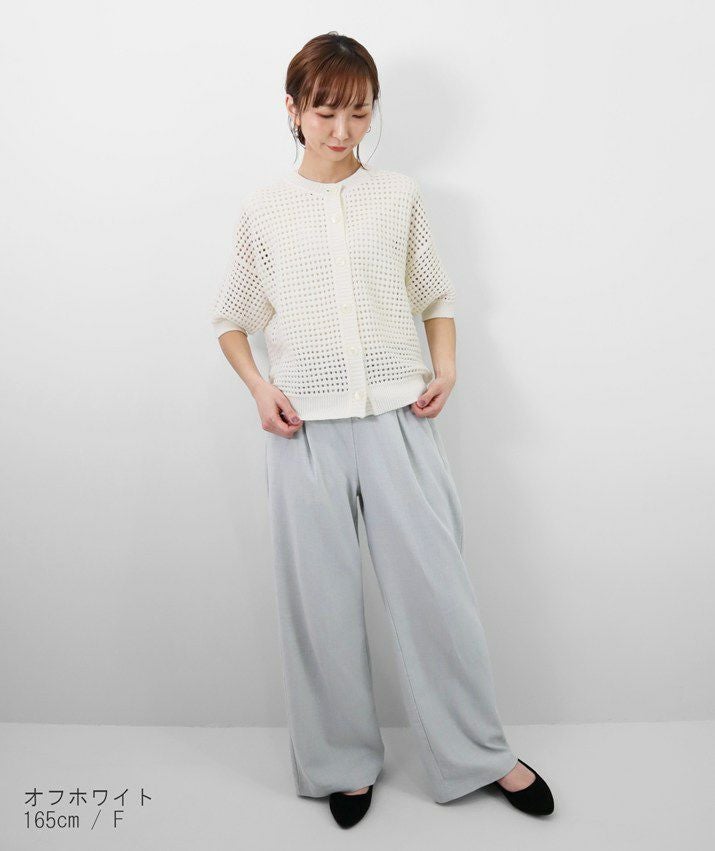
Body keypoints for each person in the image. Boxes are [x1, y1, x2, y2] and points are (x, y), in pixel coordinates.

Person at [209, 31, 555, 828]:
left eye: (359, 112)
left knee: (438, 593)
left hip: (399, 418)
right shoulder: (264, 208)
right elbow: (231, 318)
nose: (343, 130)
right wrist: (259, 387)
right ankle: (342, 763)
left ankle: (478, 752)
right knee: (319, 604)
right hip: (301, 431)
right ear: (292, 109)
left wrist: (446, 368)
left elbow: (435, 296)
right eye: (325, 111)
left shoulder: (397, 195)